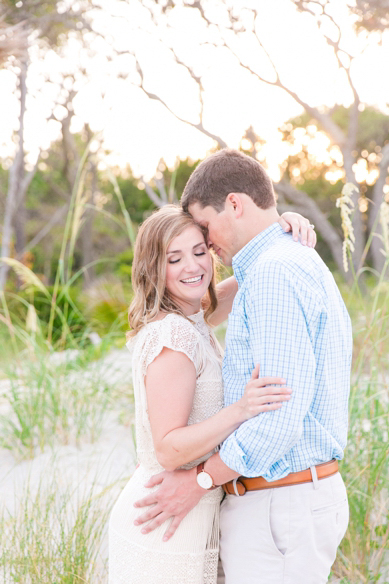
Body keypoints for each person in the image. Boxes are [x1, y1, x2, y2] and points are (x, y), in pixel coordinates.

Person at [133, 149, 353, 584]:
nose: (207, 249)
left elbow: (276, 423)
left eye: (204, 235)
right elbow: (202, 306)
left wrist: (199, 482)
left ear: (234, 203)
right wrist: (279, 224)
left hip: (279, 506)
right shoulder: (278, 264)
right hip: (278, 506)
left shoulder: (273, 272)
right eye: (175, 256)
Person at [108, 203, 315, 584]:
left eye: (199, 251)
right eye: (174, 258)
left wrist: (278, 228)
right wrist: (241, 409)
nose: (192, 266)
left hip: (185, 509)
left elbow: (244, 282)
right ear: (154, 267)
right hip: (167, 519)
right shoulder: (175, 336)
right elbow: (167, 449)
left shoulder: (190, 316)